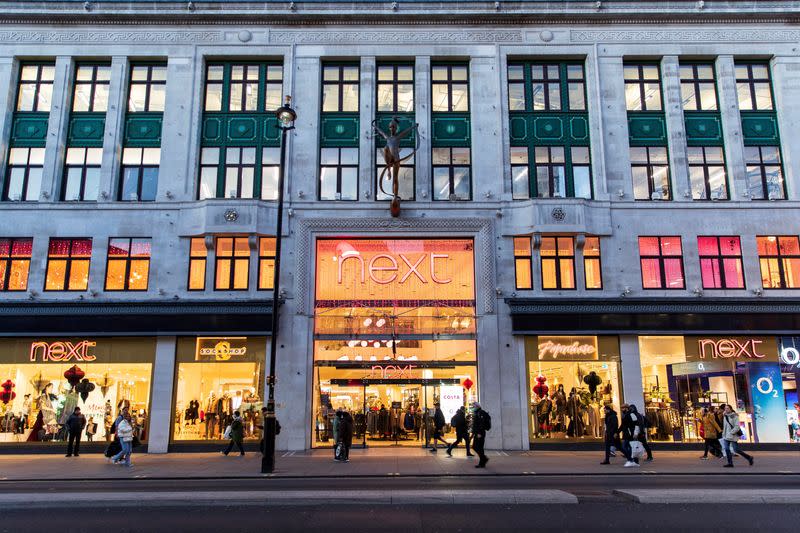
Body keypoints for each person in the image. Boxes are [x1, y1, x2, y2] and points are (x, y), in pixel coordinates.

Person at [470, 402, 491, 468]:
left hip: (480, 433)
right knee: (479, 448)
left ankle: (483, 459)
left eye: (473, 407)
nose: (472, 408)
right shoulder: (477, 413)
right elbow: (476, 425)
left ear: (477, 406)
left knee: (476, 447)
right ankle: (482, 462)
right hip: (478, 433)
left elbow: (481, 424)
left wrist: (479, 433)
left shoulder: (480, 413)